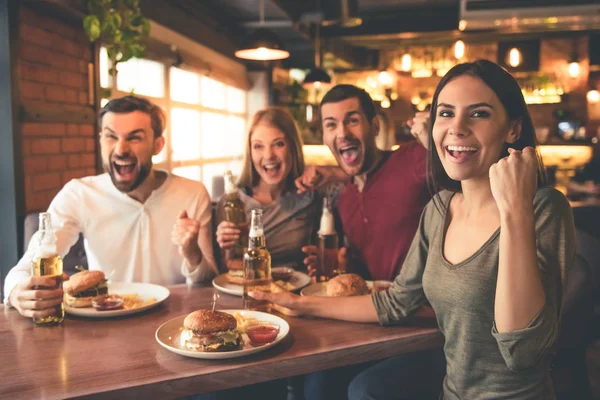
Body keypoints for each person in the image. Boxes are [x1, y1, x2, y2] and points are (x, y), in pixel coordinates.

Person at [252, 59, 575, 399]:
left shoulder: (542, 210)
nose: (457, 127)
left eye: (478, 113)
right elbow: (394, 304)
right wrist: (299, 303)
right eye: (446, 113)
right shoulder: (438, 210)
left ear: (512, 128)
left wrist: (515, 211)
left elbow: (522, 354)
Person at [4, 95, 218, 319]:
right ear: (100, 140)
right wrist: (16, 292)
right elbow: (24, 268)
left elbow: (208, 280)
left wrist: (192, 254)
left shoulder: (192, 193)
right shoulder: (79, 194)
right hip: (106, 325)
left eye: (134, 138)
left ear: (157, 145)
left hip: (176, 320)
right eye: (111, 137)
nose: (120, 149)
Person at [298, 84, 430, 282]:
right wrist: (342, 266)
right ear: (324, 137)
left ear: (375, 127)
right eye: (331, 124)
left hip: (428, 309)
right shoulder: (346, 199)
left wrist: (437, 136)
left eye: (352, 121)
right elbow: (368, 274)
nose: (342, 133)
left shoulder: (414, 158)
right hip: (376, 308)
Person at [215, 107, 322, 271]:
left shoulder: (310, 196)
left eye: (278, 144)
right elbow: (227, 267)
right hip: (249, 290)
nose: (268, 155)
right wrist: (226, 244)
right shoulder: (233, 202)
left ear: (293, 147)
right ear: (250, 152)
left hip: (298, 290)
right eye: (258, 146)